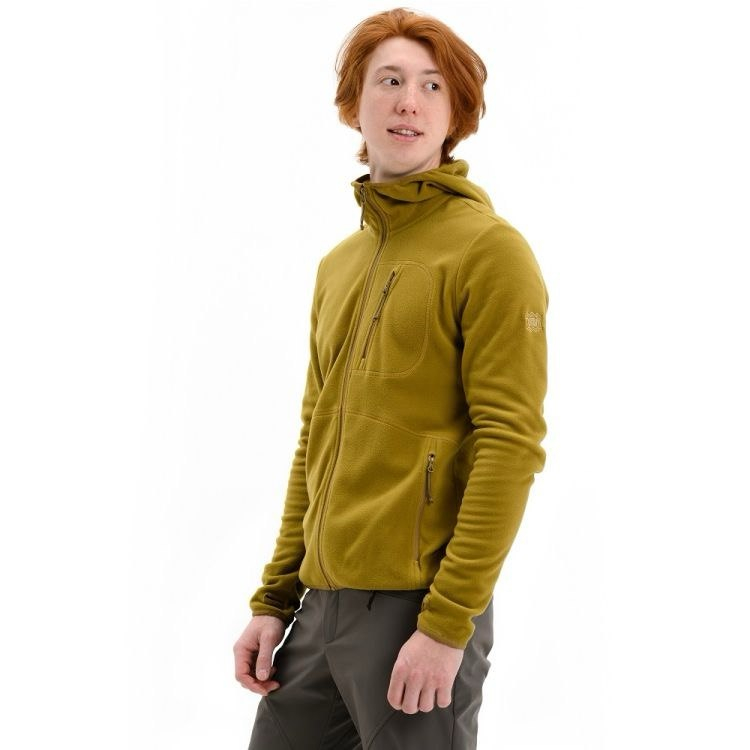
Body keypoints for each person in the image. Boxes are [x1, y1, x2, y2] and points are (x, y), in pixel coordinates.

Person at [233, 7, 549, 749]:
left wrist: (447, 623)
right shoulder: (338, 266)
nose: (410, 101)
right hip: (319, 607)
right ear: (355, 103)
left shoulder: (490, 252)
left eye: (433, 86)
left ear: (456, 115)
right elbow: (315, 438)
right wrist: (276, 598)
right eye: (391, 81)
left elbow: (510, 444)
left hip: (418, 611)